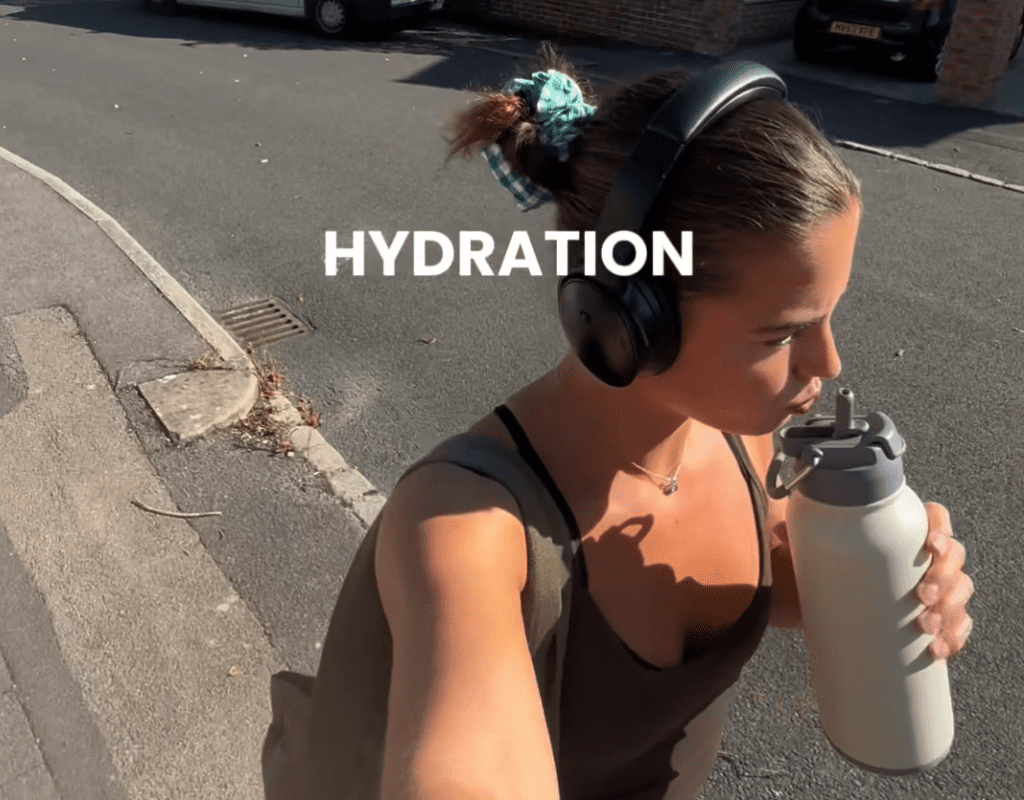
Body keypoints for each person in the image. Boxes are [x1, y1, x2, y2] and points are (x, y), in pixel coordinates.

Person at [261, 45, 975, 800]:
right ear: (629, 319)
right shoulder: (462, 527)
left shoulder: (743, 437)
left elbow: (758, 589)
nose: (827, 363)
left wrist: (890, 584)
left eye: (830, 315)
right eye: (782, 334)